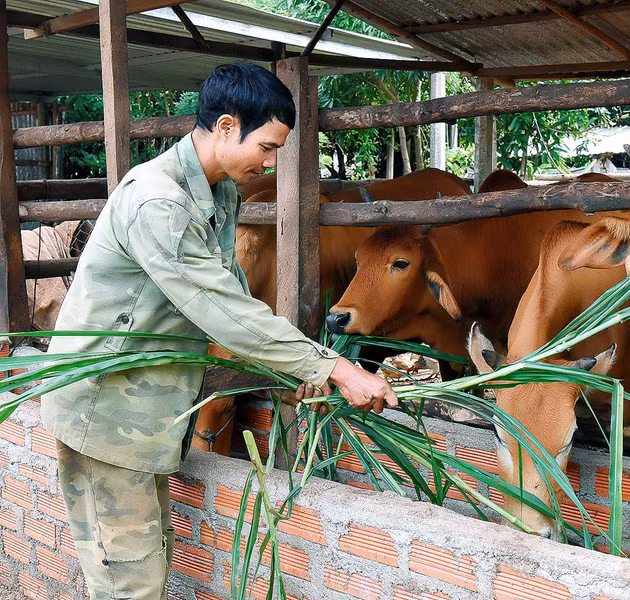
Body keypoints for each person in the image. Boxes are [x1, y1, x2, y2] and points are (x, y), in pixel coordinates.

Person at [41, 62, 398, 600]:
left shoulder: (220, 192)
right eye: (267, 147)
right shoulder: (159, 202)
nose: (271, 162)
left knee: (142, 569)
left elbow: (234, 297)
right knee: (129, 583)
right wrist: (334, 367)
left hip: (146, 415)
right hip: (106, 413)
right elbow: (220, 309)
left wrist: (293, 373)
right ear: (227, 127)